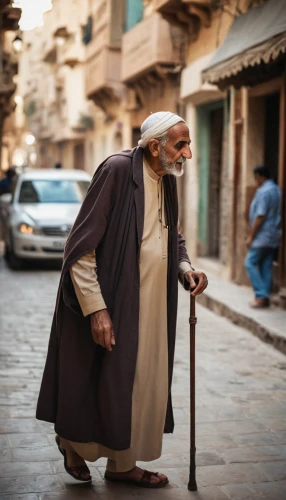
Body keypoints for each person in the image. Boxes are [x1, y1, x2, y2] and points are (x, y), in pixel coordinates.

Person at [36, 111, 208, 487]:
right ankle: (72, 445)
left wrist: (185, 267)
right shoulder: (116, 171)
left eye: (188, 144)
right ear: (154, 146)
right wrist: (97, 310)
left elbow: (171, 234)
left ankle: (122, 465)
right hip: (111, 298)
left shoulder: (165, 179)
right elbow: (79, 248)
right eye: (181, 145)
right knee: (100, 380)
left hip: (152, 305)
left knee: (141, 382)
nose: (187, 154)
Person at [245, 166, 281, 308]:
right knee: (266, 265)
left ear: (260, 176)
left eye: (256, 177)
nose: (255, 181)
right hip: (273, 234)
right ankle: (264, 297)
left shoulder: (264, 192)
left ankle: (261, 295)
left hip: (263, 235)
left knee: (249, 263)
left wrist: (251, 236)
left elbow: (260, 216)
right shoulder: (276, 189)